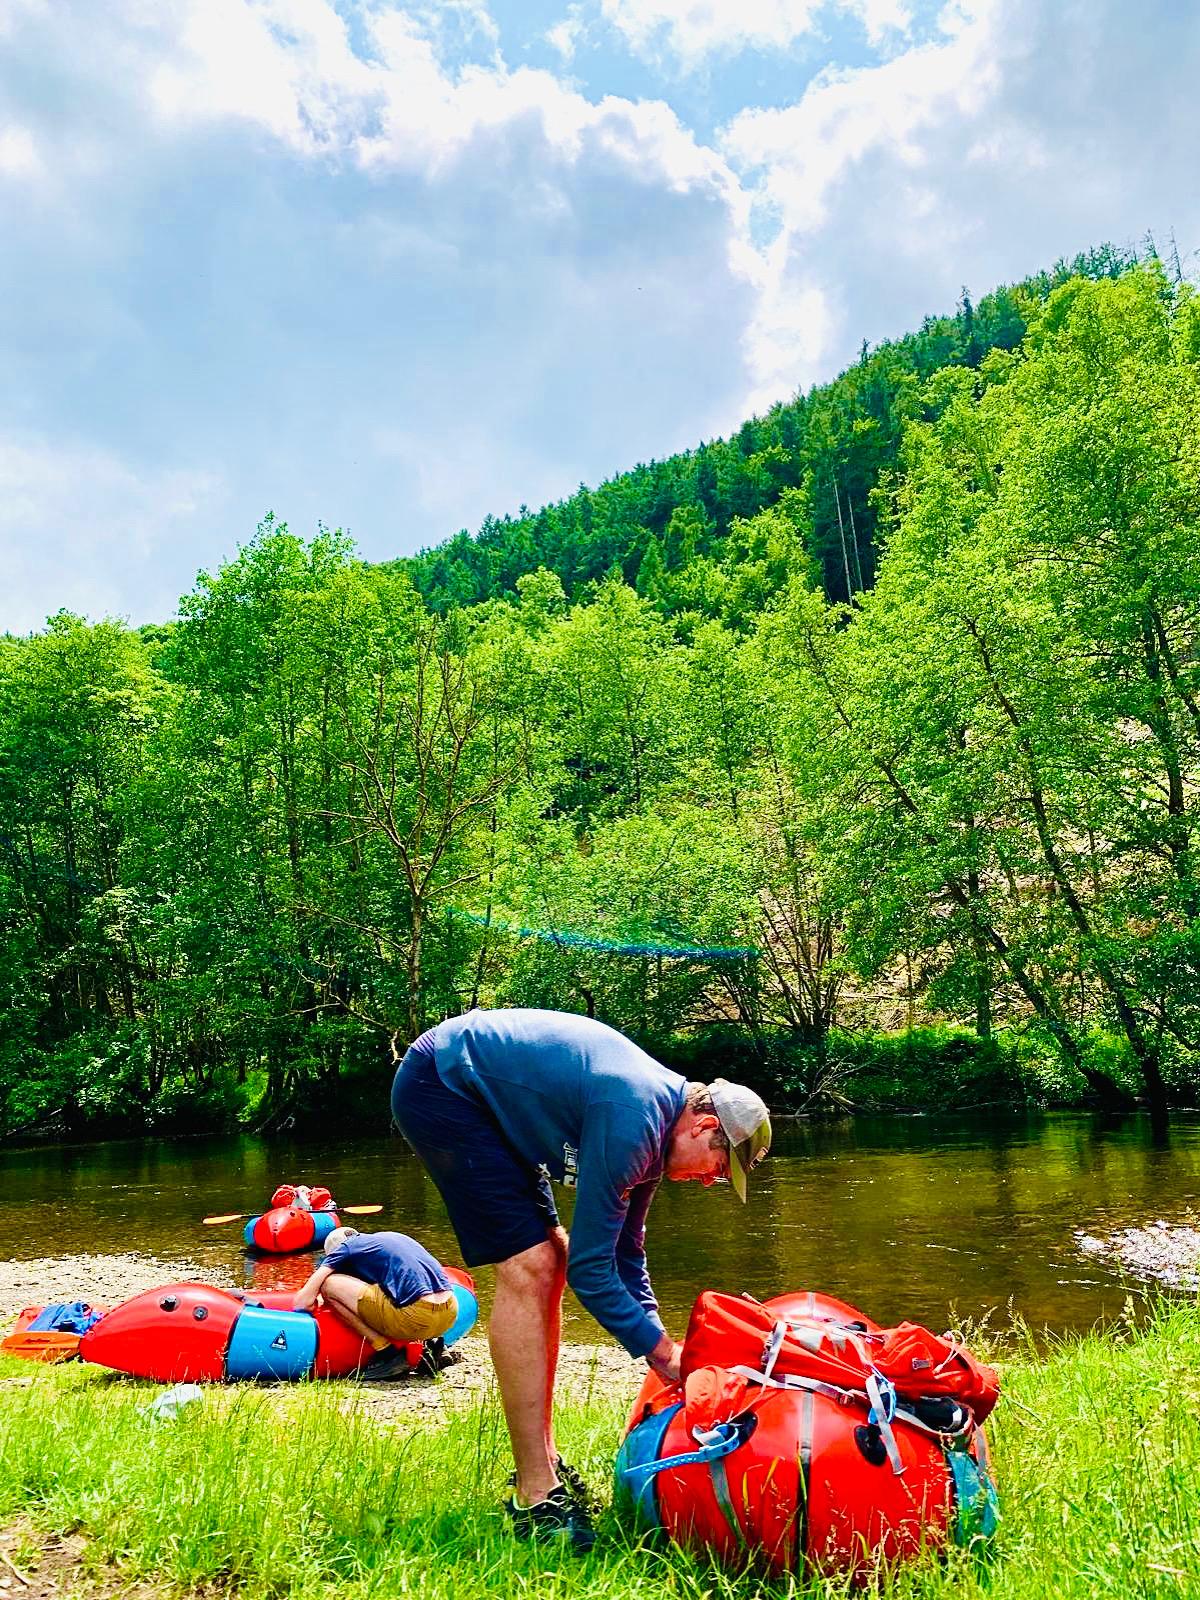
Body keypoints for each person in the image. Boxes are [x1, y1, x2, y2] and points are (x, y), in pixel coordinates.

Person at [390, 1006, 772, 1552]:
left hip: (490, 1104)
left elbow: (625, 1253)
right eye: (719, 1165)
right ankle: (534, 1494)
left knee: (552, 1256)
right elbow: (593, 1274)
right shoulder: (634, 1119)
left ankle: (544, 1462)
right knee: (532, 1264)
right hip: (445, 1083)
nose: (712, 1182)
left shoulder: (656, 1128)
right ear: (705, 1126)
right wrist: (663, 1354)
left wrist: (657, 1340)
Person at [292, 1226, 457, 1381]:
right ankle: (432, 1348)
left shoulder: (345, 1248)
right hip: (449, 1314)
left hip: (415, 1317)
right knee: (396, 1290)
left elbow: (302, 1303)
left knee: (329, 1285)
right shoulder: (389, 1239)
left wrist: (321, 1297)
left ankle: (387, 1354)